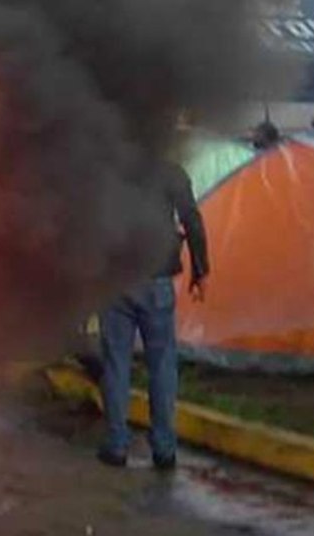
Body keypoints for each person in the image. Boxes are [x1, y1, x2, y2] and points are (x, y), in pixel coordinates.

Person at [97, 161, 209, 471]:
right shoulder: (170, 171)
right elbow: (192, 220)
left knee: (117, 364)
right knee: (161, 366)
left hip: (115, 280)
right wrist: (201, 270)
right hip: (157, 280)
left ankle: (117, 447)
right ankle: (164, 449)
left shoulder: (110, 165)